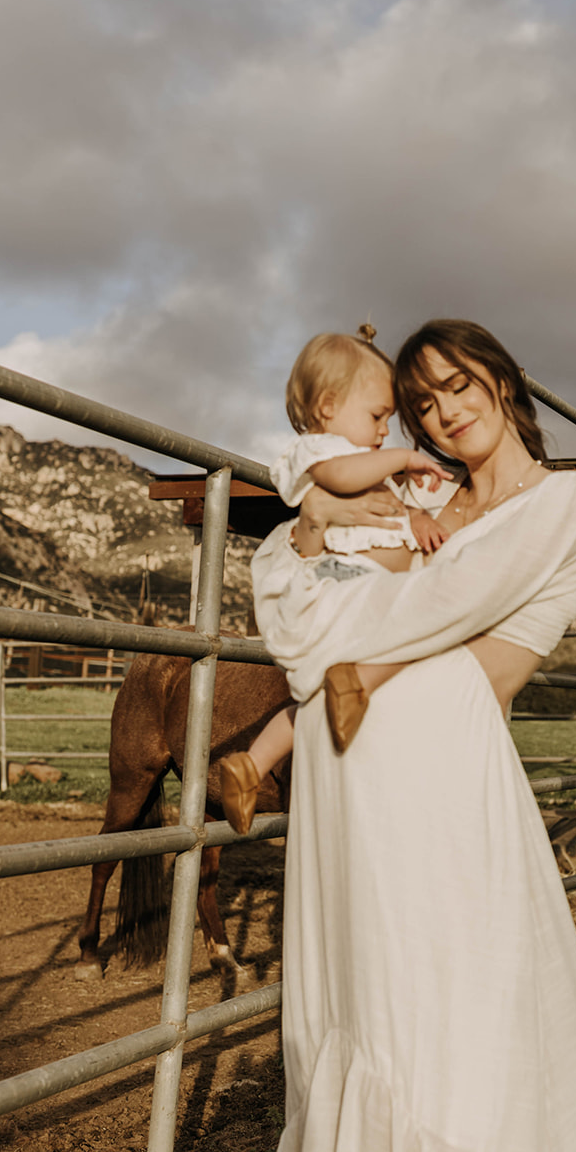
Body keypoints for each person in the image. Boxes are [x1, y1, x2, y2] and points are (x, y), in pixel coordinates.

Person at [248, 320, 576, 1152]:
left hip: (436, 751)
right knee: (354, 999)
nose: (440, 412)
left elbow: (442, 602)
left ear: (502, 381)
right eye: (420, 402)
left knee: (445, 1014)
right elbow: (283, 585)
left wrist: (337, 603)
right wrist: (316, 546)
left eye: (454, 386)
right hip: (350, 756)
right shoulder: (418, 495)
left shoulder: (562, 500)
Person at [219, 327, 453, 834]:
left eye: (389, 420)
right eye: (377, 416)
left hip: (363, 589)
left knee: (315, 703)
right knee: (421, 633)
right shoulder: (321, 453)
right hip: (344, 584)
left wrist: (418, 520)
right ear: (327, 407)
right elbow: (342, 480)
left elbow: (395, 512)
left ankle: (251, 766)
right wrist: (406, 458)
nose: (385, 431)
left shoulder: (370, 465)